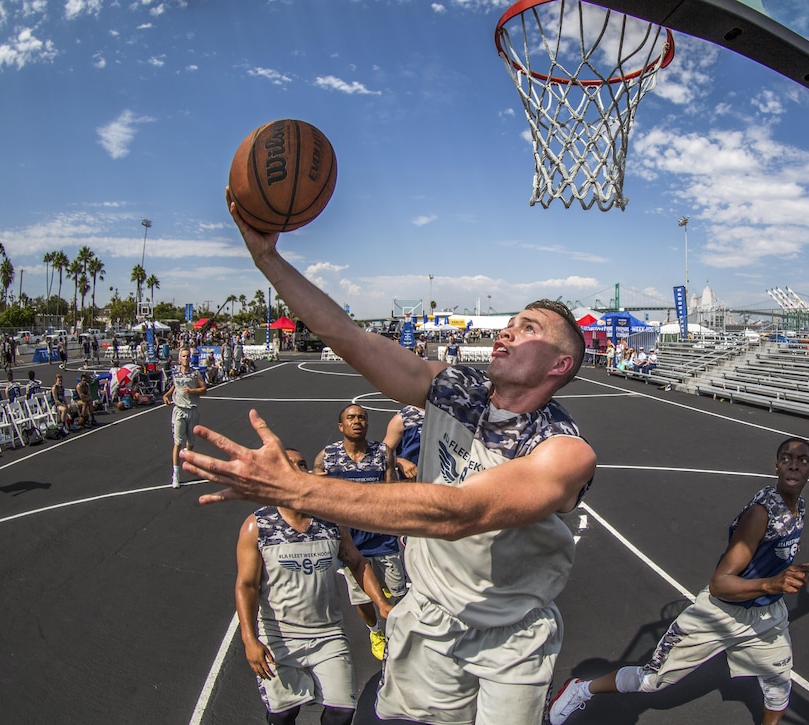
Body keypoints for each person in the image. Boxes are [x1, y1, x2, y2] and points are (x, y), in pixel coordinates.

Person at [185, 188, 597, 725]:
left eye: (528, 329)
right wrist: (268, 259)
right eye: (510, 322)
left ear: (560, 364)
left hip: (508, 635)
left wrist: (295, 488)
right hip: (429, 615)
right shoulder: (456, 388)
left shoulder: (563, 449)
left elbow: (458, 513)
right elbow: (348, 337)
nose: (506, 332)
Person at [549, 438, 809, 725]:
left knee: (778, 687)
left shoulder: (798, 507)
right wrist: (772, 584)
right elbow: (720, 584)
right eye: (787, 458)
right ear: (776, 466)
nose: (794, 464)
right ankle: (582, 689)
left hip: (766, 615)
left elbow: (779, 543)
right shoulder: (760, 514)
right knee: (653, 680)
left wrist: (786, 559)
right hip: (721, 613)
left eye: (802, 460)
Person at [236, 446, 392, 725]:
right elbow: (246, 585)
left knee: (342, 712)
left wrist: (381, 603)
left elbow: (356, 563)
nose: (299, 470)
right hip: (280, 637)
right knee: (283, 715)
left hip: (328, 634)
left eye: (302, 464)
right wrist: (250, 639)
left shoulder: (329, 522)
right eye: (290, 464)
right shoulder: (258, 526)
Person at [313, 403, 405, 661]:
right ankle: (375, 631)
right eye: (351, 418)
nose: (357, 421)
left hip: (382, 538)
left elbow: (392, 492)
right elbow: (315, 493)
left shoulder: (382, 452)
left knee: (399, 592)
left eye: (362, 417)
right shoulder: (327, 456)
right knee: (361, 597)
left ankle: (397, 632)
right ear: (341, 426)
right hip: (351, 543)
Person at [163, 347, 207, 488]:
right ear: (179, 358)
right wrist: (166, 395)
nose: (186, 358)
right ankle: (175, 474)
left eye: (188, 356)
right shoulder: (175, 373)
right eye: (183, 356)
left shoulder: (195, 374)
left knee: (191, 441)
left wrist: (192, 391)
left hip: (192, 410)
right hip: (179, 410)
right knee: (177, 442)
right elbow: (175, 387)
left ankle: (187, 454)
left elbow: (204, 389)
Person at [382, 404, 425, 482]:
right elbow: (380, 456)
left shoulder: (448, 413)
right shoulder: (404, 418)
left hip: (444, 481)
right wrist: (399, 461)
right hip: (413, 482)